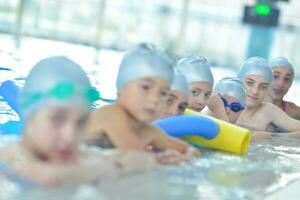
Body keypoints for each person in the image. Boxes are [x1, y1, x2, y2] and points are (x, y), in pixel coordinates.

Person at [0, 56, 157, 186]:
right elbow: (49, 178)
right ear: (29, 115)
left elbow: (142, 160)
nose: (70, 136)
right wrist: (105, 166)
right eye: (57, 119)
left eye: (81, 122)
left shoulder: (73, 155)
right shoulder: (11, 157)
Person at [85, 43, 200, 163]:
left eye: (163, 93)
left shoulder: (149, 131)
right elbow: (133, 156)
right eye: (145, 87)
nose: (155, 99)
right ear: (121, 88)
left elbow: (190, 150)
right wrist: (162, 159)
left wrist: (186, 156)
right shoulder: (111, 114)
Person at [235, 57, 300, 141]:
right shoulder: (226, 105)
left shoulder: (270, 111)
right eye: (250, 83)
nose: (255, 91)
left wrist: (273, 137)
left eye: (263, 87)